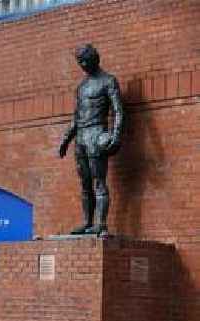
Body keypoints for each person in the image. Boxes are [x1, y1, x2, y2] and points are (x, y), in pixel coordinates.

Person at [58, 44, 124, 236]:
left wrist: (116, 134)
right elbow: (76, 117)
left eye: (85, 60)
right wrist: (65, 140)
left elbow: (118, 111)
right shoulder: (81, 87)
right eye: (80, 62)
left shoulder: (108, 81)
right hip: (81, 138)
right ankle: (87, 222)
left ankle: (101, 224)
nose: (83, 65)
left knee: (99, 182)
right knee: (85, 183)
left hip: (96, 134)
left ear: (95, 58)